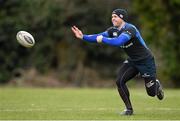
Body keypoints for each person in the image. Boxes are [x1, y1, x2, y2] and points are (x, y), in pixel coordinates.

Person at [71, 9, 164, 115]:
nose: (113, 18)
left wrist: (103, 39)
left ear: (122, 18)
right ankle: (129, 110)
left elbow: (118, 41)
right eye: (112, 16)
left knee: (151, 93)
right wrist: (83, 37)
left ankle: (156, 85)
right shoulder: (112, 31)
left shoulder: (130, 29)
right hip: (132, 61)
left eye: (115, 16)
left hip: (145, 61)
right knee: (119, 81)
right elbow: (98, 36)